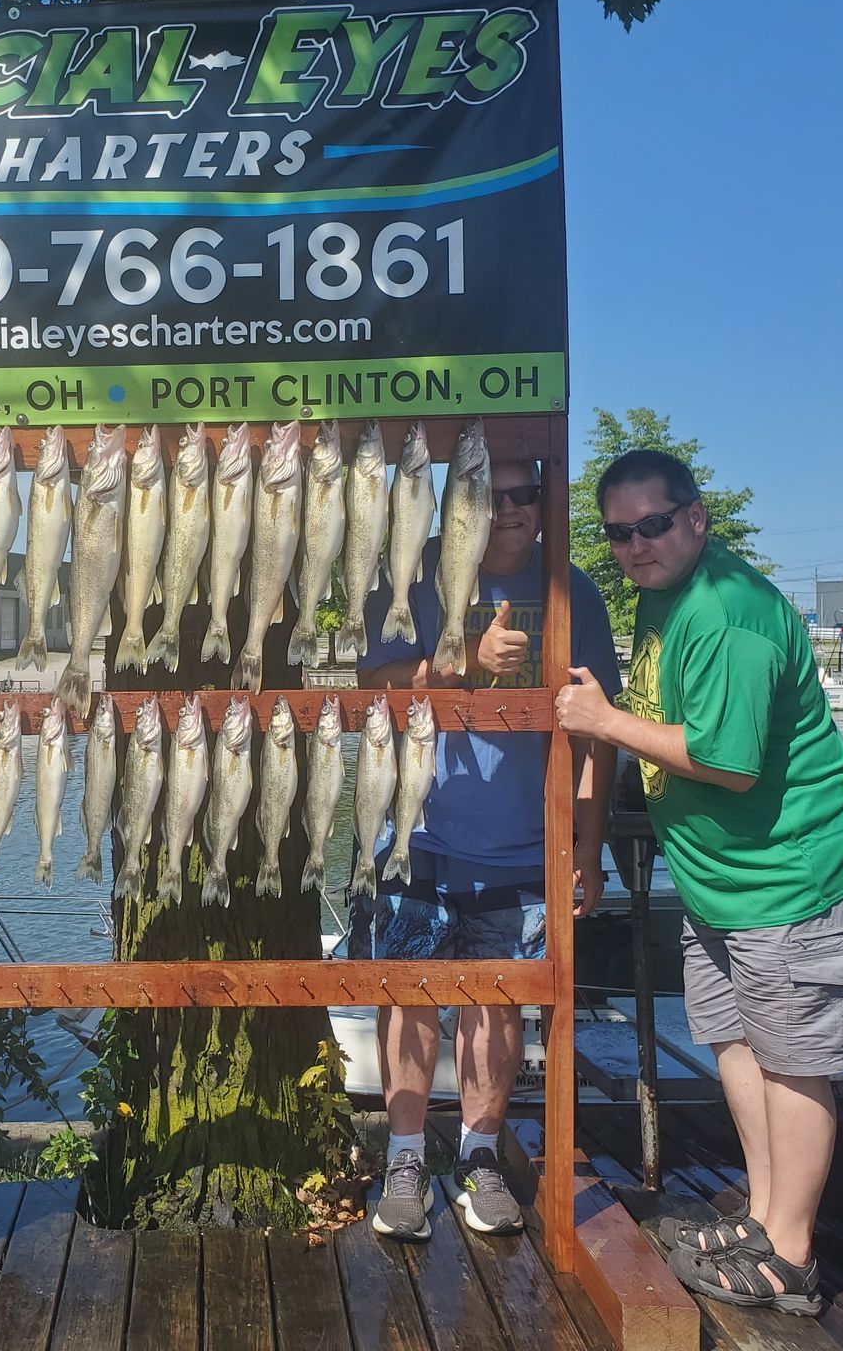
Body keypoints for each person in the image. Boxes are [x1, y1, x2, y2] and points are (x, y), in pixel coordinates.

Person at [555, 448, 843, 1318]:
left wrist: (603, 722)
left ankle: (792, 1256)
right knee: (740, 1049)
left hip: (792, 877)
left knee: (795, 1066)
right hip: (722, 884)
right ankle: (765, 1216)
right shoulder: (664, 593)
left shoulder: (729, 611)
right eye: (620, 532)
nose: (635, 545)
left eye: (653, 525)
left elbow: (727, 763)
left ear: (696, 518)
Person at [354, 457, 619, 1243]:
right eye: (487, 495)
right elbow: (376, 688)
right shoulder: (409, 573)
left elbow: (599, 731)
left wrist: (585, 842)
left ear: (543, 501)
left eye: (523, 494)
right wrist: (461, 659)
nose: (507, 511)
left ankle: (478, 1153)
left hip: (523, 843)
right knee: (407, 993)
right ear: (452, 503)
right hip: (416, 833)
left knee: (497, 1004)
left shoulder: (575, 590)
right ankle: (404, 1155)